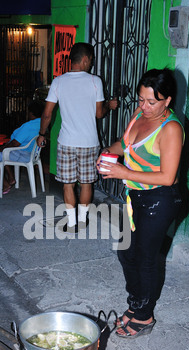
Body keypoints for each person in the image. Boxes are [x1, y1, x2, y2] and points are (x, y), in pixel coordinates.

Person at [97, 68, 183, 338]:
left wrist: (123, 173)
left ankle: (144, 317)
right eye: (141, 99)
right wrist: (109, 152)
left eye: (152, 102)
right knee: (126, 252)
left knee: (146, 258)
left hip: (161, 199)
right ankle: (136, 305)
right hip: (135, 197)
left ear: (167, 100)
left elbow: (168, 177)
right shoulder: (138, 115)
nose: (144, 107)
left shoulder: (171, 129)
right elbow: (125, 144)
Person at [37, 42, 118, 232]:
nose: (90, 63)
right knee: (87, 183)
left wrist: (42, 134)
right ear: (84, 59)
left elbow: (47, 113)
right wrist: (109, 106)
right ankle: (82, 220)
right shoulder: (94, 81)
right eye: (90, 60)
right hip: (89, 143)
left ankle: (72, 223)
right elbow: (99, 113)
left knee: (68, 184)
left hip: (66, 142)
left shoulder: (58, 81)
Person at [0, 100, 44, 195]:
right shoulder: (42, 124)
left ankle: (6, 184)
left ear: (31, 113)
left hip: (23, 154)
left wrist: (5, 147)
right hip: (33, 154)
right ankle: (11, 178)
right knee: (4, 152)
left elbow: (15, 143)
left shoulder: (28, 126)